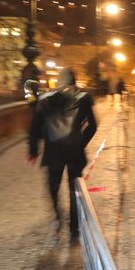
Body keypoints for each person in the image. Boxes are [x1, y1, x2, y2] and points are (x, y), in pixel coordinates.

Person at [28, 67, 97, 238]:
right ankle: (74, 225)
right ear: (74, 81)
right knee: (75, 188)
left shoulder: (45, 99)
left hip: (53, 152)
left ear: (58, 81)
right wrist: (81, 142)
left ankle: (58, 215)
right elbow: (93, 126)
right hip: (74, 151)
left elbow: (34, 127)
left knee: (53, 186)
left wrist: (33, 150)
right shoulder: (83, 98)